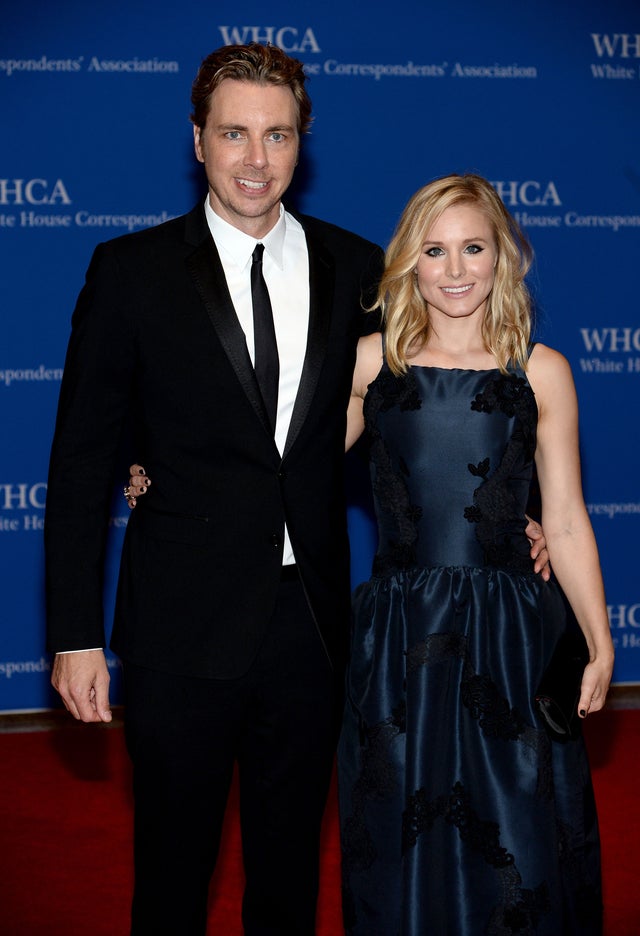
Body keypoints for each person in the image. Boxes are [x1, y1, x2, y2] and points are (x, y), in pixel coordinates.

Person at [44, 42, 386, 936]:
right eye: (234, 133)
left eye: (277, 135)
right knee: (172, 872)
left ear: (301, 143)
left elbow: (422, 408)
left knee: (288, 879)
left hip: (309, 626)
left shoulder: (360, 270)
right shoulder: (131, 272)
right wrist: (75, 633)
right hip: (177, 625)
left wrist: (515, 521)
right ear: (198, 139)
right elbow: (82, 462)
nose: (255, 158)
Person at [337, 173, 614, 935]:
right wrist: (157, 467)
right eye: (435, 251)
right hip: (398, 634)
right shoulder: (369, 365)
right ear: (409, 264)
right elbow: (286, 472)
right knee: (396, 824)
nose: (455, 270)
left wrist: (599, 636)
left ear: (502, 258)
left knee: (519, 829)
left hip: (512, 635)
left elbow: (562, 518)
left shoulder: (542, 369)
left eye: (473, 248)